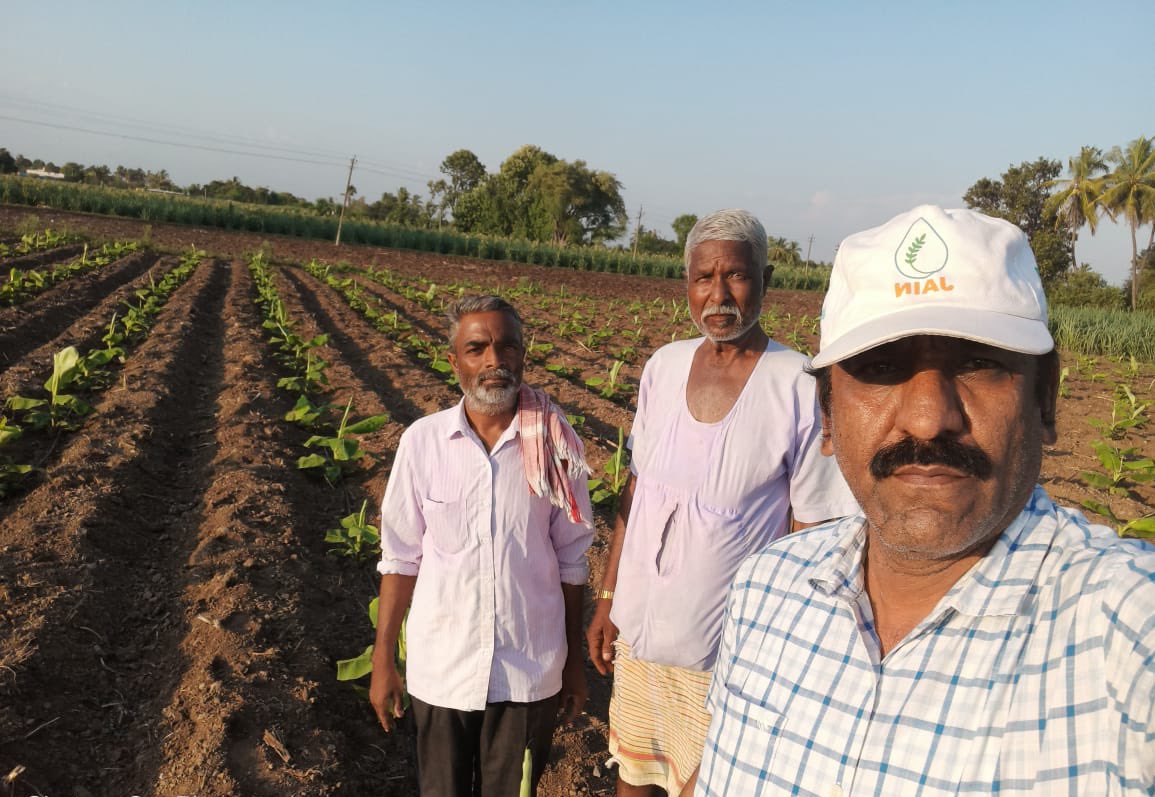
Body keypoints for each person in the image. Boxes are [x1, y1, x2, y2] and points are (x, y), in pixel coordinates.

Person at [696, 205, 1155, 795]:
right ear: (828, 415)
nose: (927, 419)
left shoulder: (1125, 636)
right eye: (881, 367)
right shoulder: (765, 589)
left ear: (1045, 402)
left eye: (979, 363)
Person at [586, 209, 858, 797]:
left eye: (735, 275)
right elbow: (638, 490)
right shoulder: (663, 367)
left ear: (766, 277)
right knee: (631, 780)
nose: (718, 294)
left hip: (727, 658)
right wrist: (609, 596)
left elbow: (815, 532)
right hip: (639, 640)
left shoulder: (797, 384)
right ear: (687, 283)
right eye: (703, 277)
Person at [369, 295, 594, 797]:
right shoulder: (422, 443)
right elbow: (401, 557)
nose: (494, 361)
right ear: (455, 361)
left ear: (523, 356)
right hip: (442, 671)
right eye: (477, 348)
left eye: (506, 346)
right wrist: (384, 658)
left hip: (528, 673)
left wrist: (574, 663)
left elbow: (572, 563)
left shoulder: (555, 444)